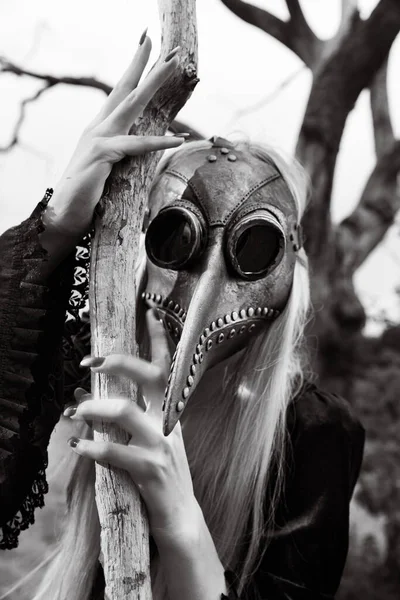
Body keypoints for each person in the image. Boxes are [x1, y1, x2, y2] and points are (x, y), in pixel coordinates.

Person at [0, 32, 364, 600]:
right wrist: (57, 227)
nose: (208, 285)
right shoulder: (99, 372)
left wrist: (181, 521)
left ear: (292, 265)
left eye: (254, 247)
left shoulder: (311, 435)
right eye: (176, 236)